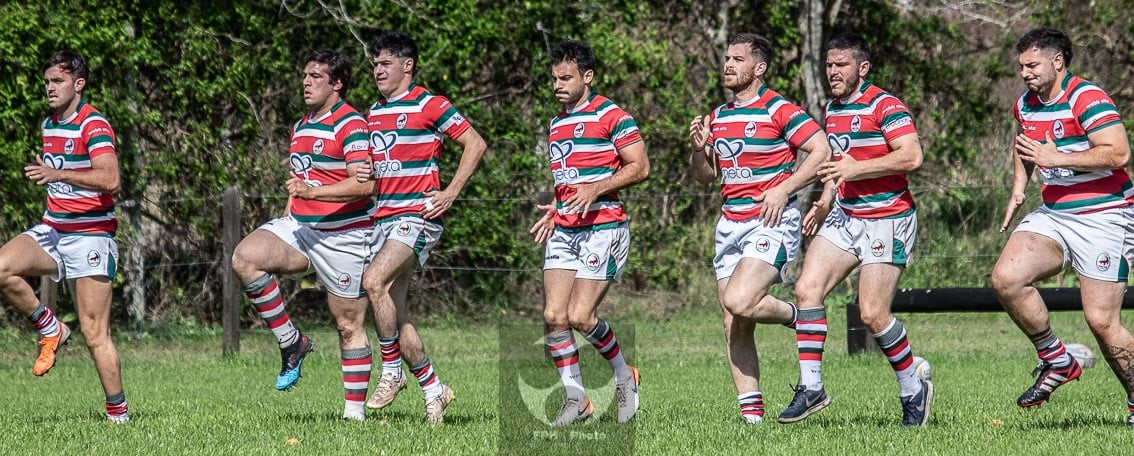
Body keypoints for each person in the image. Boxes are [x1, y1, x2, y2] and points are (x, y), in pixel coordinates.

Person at [777, 33, 932, 426]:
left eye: (841, 65)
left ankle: (913, 388)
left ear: (862, 68)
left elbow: (912, 156)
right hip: (846, 215)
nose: (833, 72)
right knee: (806, 290)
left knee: (873, 314)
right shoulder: (833, 109)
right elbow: (839, 164)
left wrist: (854, 170)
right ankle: (812, 388)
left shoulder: (885, 105)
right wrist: (827, 197)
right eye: (829, 65)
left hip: (888, 217)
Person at [992, 27, 1134, 426]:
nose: (1025, 73)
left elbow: (1119, 153)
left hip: (1105, 215)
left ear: (1058, 61)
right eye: (1021, 66)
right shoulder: (1026, 104)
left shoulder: (1086, 98)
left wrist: (1057, 159)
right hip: (1056, 213)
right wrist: (1019, 188)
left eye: (1032, 65)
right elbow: (1024, 143)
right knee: (1006, 278)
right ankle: (1057, 359)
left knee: (1102, 322)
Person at [687, 33, 830, 424]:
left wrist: (784, 189)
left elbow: (822, 149)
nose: (728, 65)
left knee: (740, 299)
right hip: (729, 223)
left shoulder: (779, 108)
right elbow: (703, 177)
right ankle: (752, 420)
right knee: (733, 321)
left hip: (770, 222)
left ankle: (801, 318)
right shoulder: (718, 116)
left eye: (737, 59)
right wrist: (700, 148)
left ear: (759, 68)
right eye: (726, 58)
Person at [230, 49, 375, 421]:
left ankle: (353, 415)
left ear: (337, 83)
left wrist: (315, 193)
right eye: (305, 75)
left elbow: (364, 185)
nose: (306, 82)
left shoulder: (351, 124)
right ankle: (292, 341)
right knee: (245, 258)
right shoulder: (300, 125)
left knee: (347, 325)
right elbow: (301, 182)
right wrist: (290, 211)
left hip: (345, 233)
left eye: (315, 76)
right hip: (302, 227)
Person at [357, 31, 487, 424]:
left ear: (407, 65)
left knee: (372, 282)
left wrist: (450, 192)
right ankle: (434, 390)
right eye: (375, 64)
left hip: (418, 217)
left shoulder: (430, 104)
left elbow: (475, 144)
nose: (377, 70)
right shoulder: (373, 112)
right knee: (397, 316)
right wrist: (364, 170)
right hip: (385, 218)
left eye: (385, 64)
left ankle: (392, 371)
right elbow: (372, 170)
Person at [0, 50, 129, 423]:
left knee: (94, 333)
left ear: (79, 84)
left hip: (91, 235)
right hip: (54, 230)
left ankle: (118, 414)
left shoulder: (94, 125)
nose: (50, 89)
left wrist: (60, 176)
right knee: (3, 267)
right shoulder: (49, 123)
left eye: (57, 81)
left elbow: (111, 179)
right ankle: (50, 327)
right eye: (47, 82)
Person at [528, 39, 650, 426]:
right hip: (565, 228)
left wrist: (596, 188)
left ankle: (623, 376)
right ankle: (576, 399)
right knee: (553, 315)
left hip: (604, 227)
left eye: (566, 77)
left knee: (581, 316)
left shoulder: (612, 115)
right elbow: (568, 180)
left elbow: (640, 167)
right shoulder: (556, 122)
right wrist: (556, 205)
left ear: (588, 76)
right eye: (554, 78)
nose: (558, 85)